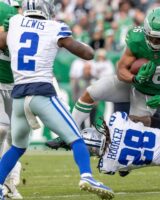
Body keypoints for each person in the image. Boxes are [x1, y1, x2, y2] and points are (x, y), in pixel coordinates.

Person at [0, 0, 113, 199]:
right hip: (40, 92)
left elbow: (3, 40)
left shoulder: (16, 21)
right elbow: (87, 53)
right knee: (76, 138)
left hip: (18, 96)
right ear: (47, 9)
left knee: (17, 146)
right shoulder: (55, 27)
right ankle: (87, 176)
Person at [71, 7, 160, 129]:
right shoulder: (137, 39)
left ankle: (157, 125)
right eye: (150, 37)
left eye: (159, 39)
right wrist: (135, 78)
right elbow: (121, 70)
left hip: (149, 94)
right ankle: (69, 132)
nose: (153, 41)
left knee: (132, 129)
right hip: (128, 83)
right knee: (91, 93)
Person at [0, 1, 23, 199]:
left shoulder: (22, 19)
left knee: (17, 134)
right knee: (2, 128)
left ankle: (9, 178)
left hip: (17, 82)